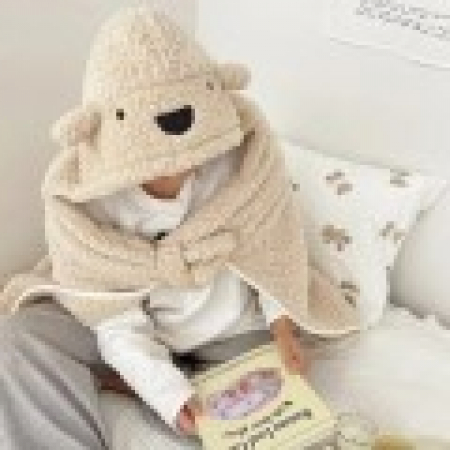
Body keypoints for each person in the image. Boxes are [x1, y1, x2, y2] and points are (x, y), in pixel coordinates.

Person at [0, 7, 358, 449]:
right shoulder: (86, 202)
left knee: (269, 421)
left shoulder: (240, 160)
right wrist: (164, 390)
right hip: (125, 326)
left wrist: (282, 327)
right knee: (16, 340)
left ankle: (145, 384)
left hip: (228, 330)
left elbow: (274, 248)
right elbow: (112, 319)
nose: (180, 167)